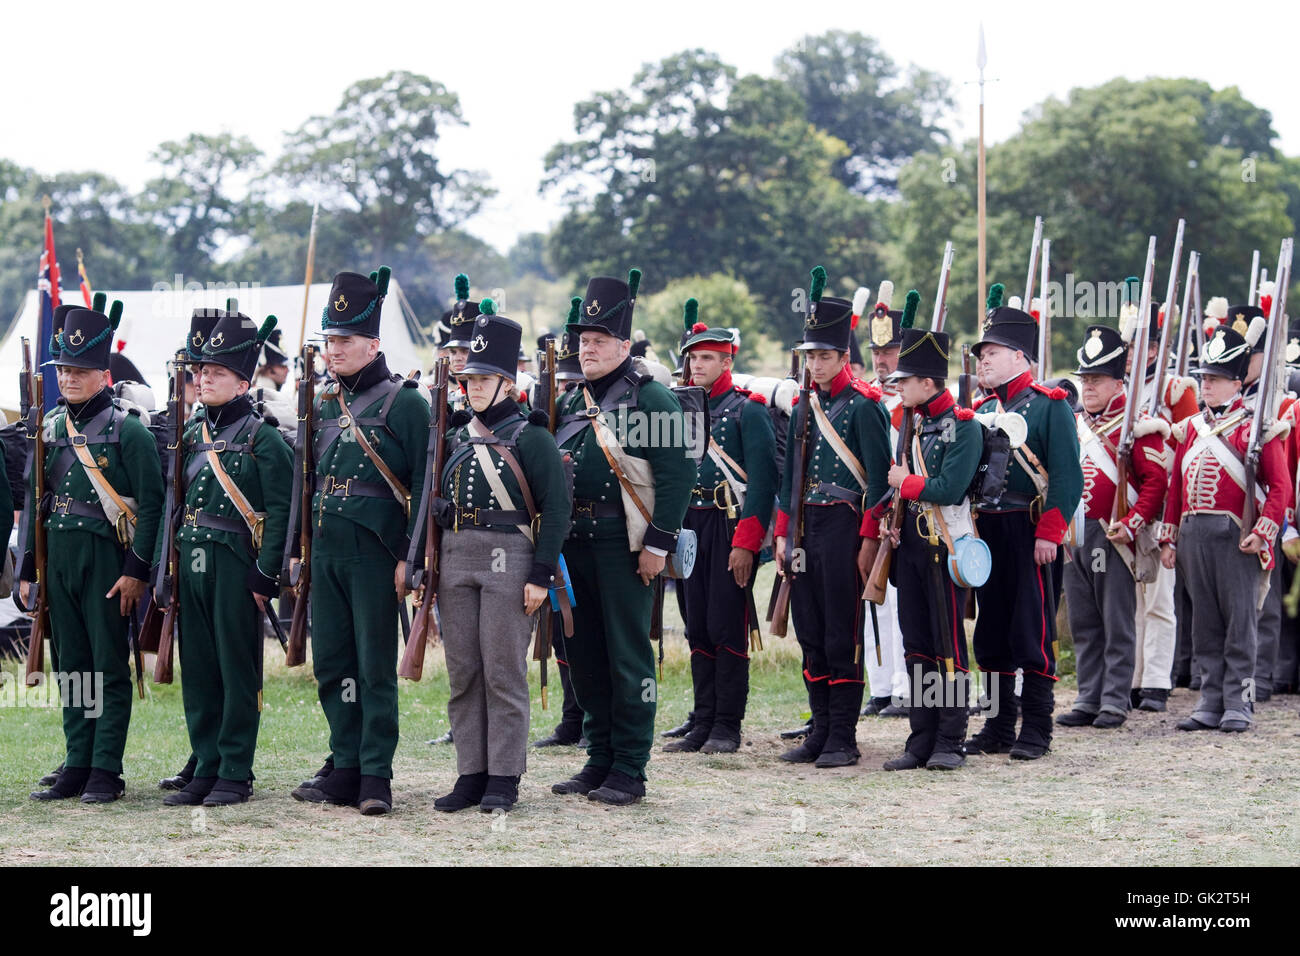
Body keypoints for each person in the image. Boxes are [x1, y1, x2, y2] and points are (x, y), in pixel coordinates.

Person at [549, 268, 696, 805]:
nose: (586, 349)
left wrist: (658, 544)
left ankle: (630, 767)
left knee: (628, 656)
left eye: (598, 341)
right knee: (583, 654)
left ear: (624, 344)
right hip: (574, 545)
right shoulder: (569, 401)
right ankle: (599, 757)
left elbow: (679, 475)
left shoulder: (649, 398)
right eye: (582, 341)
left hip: (624, 547)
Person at [290, 266, 429, 814]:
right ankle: (344, 763)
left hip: (377, 555)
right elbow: (307, 480)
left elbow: (423, 486)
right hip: (325, 551)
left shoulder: (407, 404)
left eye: (345, 340)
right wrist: (298, 552)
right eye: (330, 340)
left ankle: (376, 774)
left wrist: (409, 558)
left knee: (373, 667)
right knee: (333, 664)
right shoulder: (323, 402)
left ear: (373, 342)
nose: (335, 350)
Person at [426, 304, 570, 812]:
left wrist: (540, 574)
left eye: (487, 378)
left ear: (508, 382)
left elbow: (556, 510)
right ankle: (472, 771)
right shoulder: (452, 436)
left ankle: (504, 776)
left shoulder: (531, 436)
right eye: (469, 379)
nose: (475, 386)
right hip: (456, 555)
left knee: (503, 671)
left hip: (511, 557)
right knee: (464, 671)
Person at [24, 301, 164, 802]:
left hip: (108, 561)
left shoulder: (129, 430)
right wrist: (26, 570)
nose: (69, 379)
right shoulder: (50, 428)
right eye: (63, 370)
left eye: (79, 371)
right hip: (57, 558)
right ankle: (77, 761)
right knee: (72, 665)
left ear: (103, 373)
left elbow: (152, 506)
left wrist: (137, 571)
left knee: (106, 664)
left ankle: (107, 768)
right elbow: (32, 500)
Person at [154, 311, 293, 806]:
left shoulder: (264, 438)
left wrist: (265, 574)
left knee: (237, 671)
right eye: (201, 371)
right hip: (191, 561)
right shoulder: (192, 434)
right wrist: (164, 568)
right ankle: (205, 765)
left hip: (238, 565)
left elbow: (280, 513)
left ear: (241, 381)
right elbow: (175, 506)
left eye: (215, 372)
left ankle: (235, 771)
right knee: (200, 669)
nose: (203, 379)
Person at [774, 266, 891, 768]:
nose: (816, 364)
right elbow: (789, 479)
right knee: (810, 629)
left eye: (824, 356)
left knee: (842, 631)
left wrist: (868, 539)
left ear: (845, 356)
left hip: (845, 528)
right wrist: (782, 534)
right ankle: (819, 730)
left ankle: (844, 735)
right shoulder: (803, 408)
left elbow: (882, 482)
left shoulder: (864, 407)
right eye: (810, 356)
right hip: (805, 528)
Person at [965, 284, 1082, 760]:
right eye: (982, 353)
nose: (983, 360)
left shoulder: (1050, 404)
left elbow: (1068, 477)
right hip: (986, 531)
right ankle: (997, 726)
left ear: (1019, 356)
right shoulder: (979, 410)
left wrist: (1050, 533)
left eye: (992, 352)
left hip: (1029, 531)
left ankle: (1036, 728)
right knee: (991, 631)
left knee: (1031, 632)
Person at [1159, 322, 1290, 732]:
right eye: (1204, 379)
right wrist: (1169, 537)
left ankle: (1240, 701)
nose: (1207, 386)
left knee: (1241, 626)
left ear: (1236, 382)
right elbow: (1176, 487)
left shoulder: (1256, 428)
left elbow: (1281, 486)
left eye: (1215, 380)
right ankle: (1210, 700)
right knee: (1204, 624)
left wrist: (1264, 529)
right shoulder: (1192, 429)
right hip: (1194, 534)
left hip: (1237, 536)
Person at [665, 299, 776, 754]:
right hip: (690, 525)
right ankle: (703, 719)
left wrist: (747, 543)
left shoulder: (748, 410)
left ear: (727, 360)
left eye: (707, 357)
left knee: (726, 624)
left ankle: (728, 724)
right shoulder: (682, 409)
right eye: (693, 357)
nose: (697, 365)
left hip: (729, 527)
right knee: (695, 625)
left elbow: (766, 481)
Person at [874, 315, 982, 770]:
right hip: (912, 548)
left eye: (905, 380)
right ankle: (920, 738)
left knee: (947, 646)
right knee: (915, 644)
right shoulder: (914, 426)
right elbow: (900, 485)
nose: (897, 386)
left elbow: (949, 487)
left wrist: (907, 482)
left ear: (927, 381)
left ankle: (950, 738)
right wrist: (886, 515)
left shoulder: (961, 425)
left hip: (945, 548)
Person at [1057, 325, 1168, 730]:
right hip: (1076, 534)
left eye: (1095, 379)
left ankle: (1115, 700)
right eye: (1083, 379)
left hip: (1112, 535)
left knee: (1115, 621)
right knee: (1085, 622)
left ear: (1117, 382)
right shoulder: (1074, 424)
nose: (1087, 387)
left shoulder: (1137, 426)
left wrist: (1132, 522)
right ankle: (1089, 696)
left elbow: (1156, 483)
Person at [532, 321, 592, 749]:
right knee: (561, 631)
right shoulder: (560, 409)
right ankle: (572, 718)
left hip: (593, 530)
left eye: (573, 380)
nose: (569, 389)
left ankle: (591, 721)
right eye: (563, 381)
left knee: (588, 631)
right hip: (559, 533)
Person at [855, 281, 909, 717]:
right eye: (876, 353)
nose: (882, 359)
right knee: (873, 600)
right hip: (871, 510)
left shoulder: (912, 400)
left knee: (899, 601)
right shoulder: (868, 398)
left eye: (889, 351)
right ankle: (880, 686)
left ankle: (906, 686)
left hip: (906, 510)